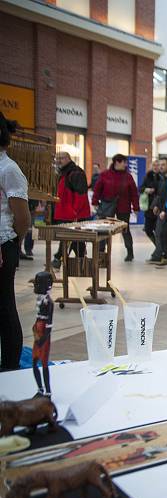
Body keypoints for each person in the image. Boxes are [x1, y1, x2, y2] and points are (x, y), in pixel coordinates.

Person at [0, 112, 32, 370]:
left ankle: (10, 367)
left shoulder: (9, 169)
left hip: (2, 245)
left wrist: (14, 243)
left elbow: (23, 218)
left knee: (5, 307)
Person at [92, 154, 139, 262]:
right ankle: (101, 254)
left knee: (125, 230)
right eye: (124, 162)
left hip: (123, 207)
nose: (126, 164)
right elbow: (97, 189)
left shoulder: (128, 176)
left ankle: (130, 252)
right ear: (117, 162)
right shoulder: (105, 174)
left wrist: (136, 207)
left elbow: (134, 193)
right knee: (103, 230)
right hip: (107, 207)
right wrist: (95, 201)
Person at [52, 152, 91, 269]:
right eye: (57, 158)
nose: (59, 160)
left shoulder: (75, 172)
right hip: (66, 213)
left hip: (74, 213)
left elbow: (81, 195)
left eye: (62, 158)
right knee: (73, 238)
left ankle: (59, 258)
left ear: (69, 159)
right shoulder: (63, 173)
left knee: (71, 237)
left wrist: (75, 213)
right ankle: (81, 261)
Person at [141, 157, 166, 262]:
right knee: (148, 229)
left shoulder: (162, 177)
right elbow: (141, 188)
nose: (157, 167)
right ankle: (159, 249)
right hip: (149, 206)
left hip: (159, 207)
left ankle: (159, 252)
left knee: (158, 231)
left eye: (159, 165)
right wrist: (146, 190)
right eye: (155, 165)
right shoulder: (148, 176)